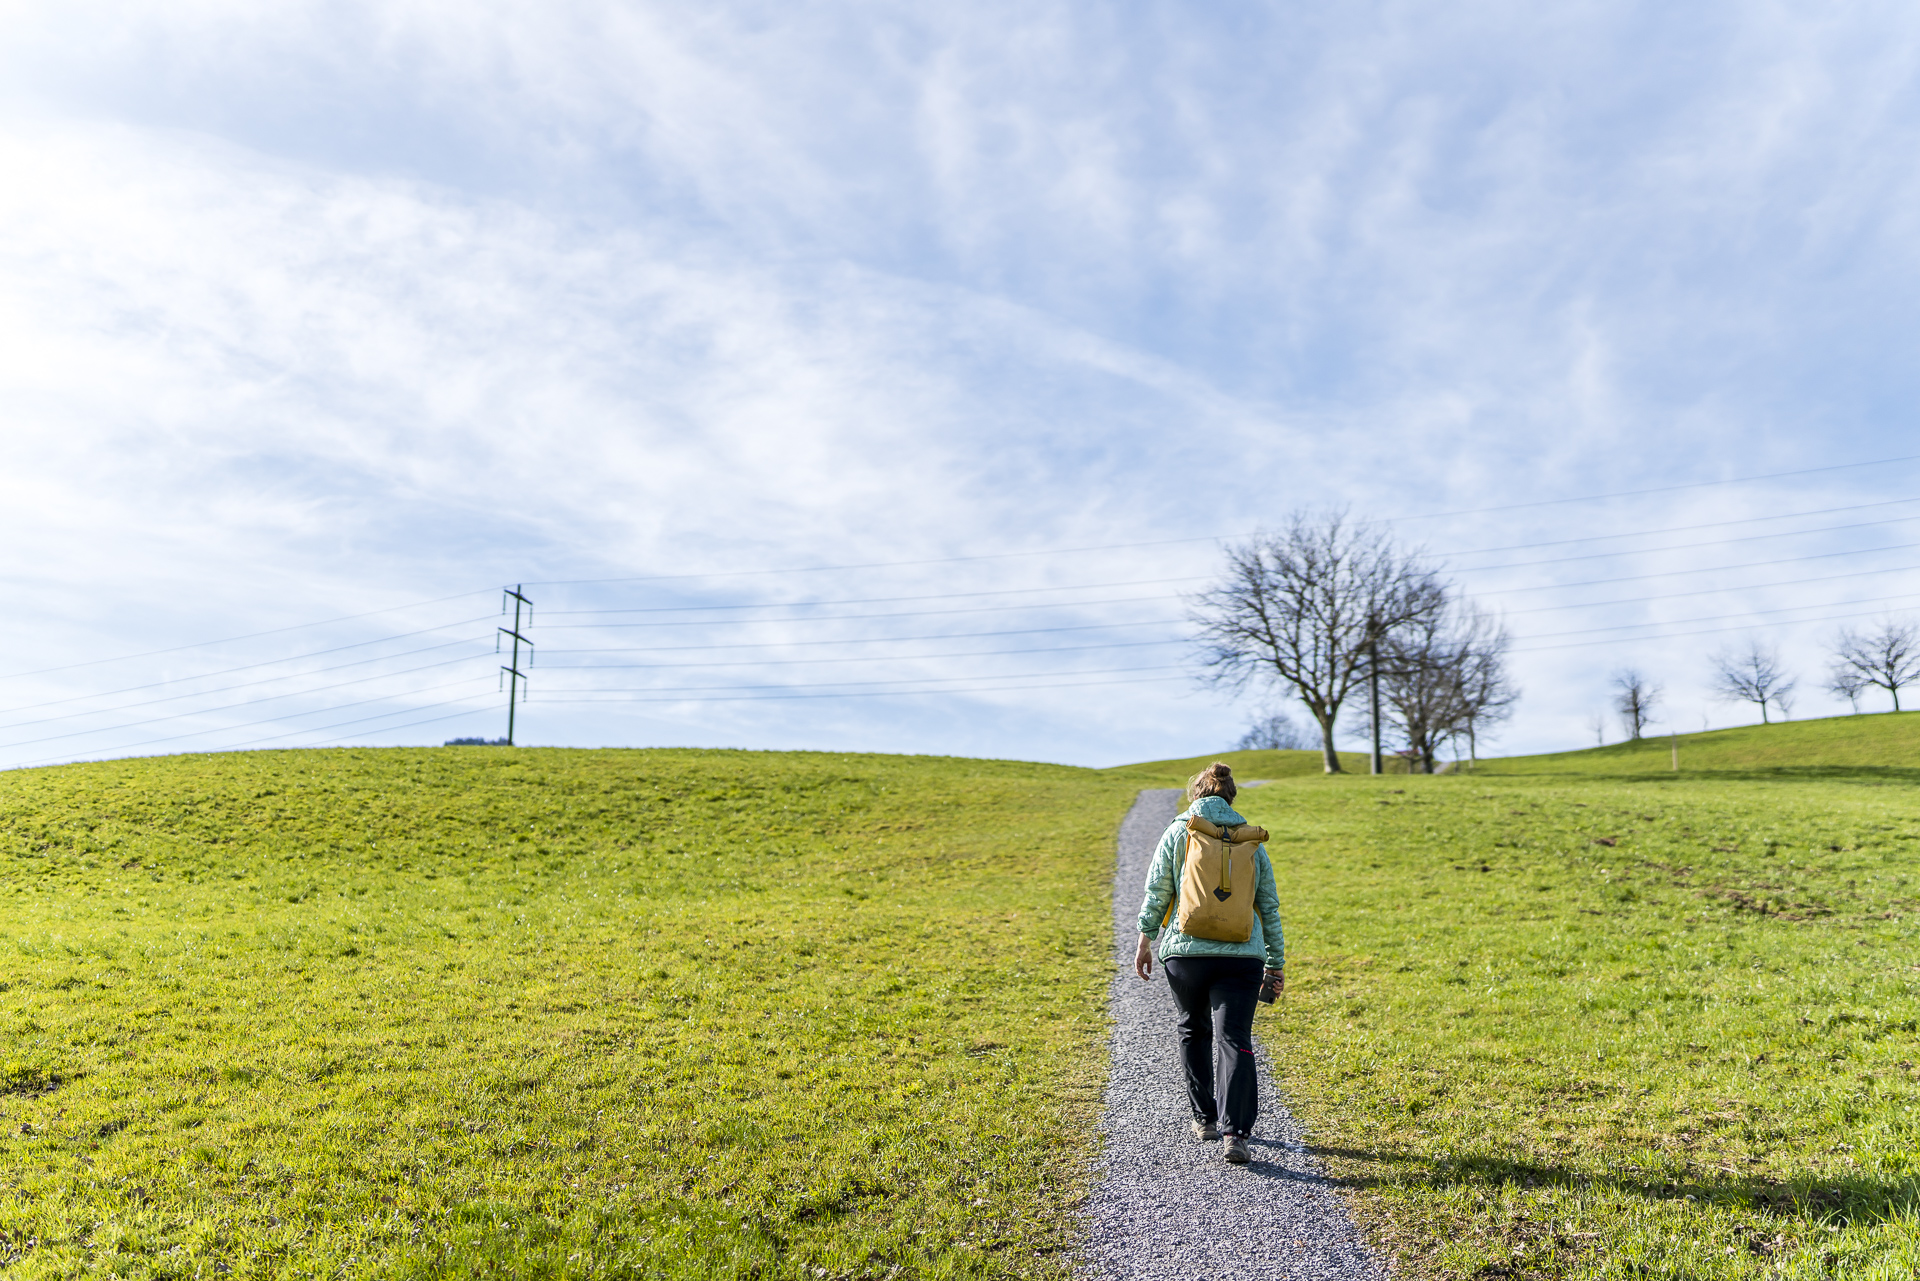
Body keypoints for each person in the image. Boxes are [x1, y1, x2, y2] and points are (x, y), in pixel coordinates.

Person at [1132, 762, 1284, 1165]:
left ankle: (1205, 1119)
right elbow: (1267, 904)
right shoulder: (1251, 839)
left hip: (1186, 955)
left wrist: (1145, 939)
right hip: (1242, 958)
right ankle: (1236, 1134)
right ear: (1231, 796)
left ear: (1195, 794)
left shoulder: (1179, 831)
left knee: (1192, 1028)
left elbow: (1158, 889)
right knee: (1234, 1038)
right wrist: (1276, 962)